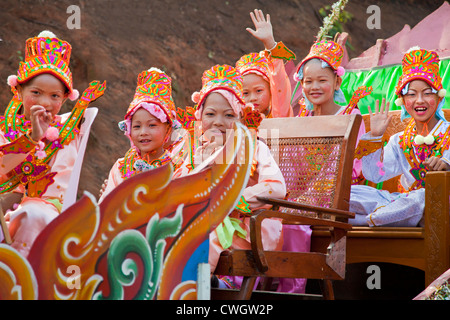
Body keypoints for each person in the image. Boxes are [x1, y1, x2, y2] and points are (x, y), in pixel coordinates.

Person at [174, 64, 286, 289]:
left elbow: (276, 188)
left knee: (205, 231)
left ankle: (194, 288)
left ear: (241, 118)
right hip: (201, 217)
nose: (218, 122)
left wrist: (230, 198)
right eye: (210, 114)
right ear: (199, 117)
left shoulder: (254, 148)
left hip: (246, 226)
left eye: (228, 115)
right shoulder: (193, 152)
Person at [0, 30, 105, 256]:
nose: (45, 103)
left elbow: (60, 188)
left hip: (48, 212)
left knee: (33, 216)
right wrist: (30, 139)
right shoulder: (4, 129)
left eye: (55, 96)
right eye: (36, 93)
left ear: (66, 98)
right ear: (18, 90)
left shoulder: (70, 131)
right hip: (5, 211)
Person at [350, 47, 449, 227]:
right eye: (411, 94)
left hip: (439, 207)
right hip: (404, 203)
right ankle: (384, 216)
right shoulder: (400, 141)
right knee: (352, 193)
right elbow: (375, 174)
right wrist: (375, 136)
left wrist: (446, 164)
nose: (419, 100)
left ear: (439, 96)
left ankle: (371, 219)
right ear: (403, 101)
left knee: (421, 198)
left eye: (427, 93)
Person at [99, 68, 178, 202]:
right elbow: (106, 208)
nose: (143, 132)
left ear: (168, 128)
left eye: (152, 125)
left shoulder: (176, 168)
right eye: (136, 126)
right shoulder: (121, 166)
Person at [236, 9, 296, 119]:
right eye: (245, 93)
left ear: (271, 91)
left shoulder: (278, 116)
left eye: (259, 91)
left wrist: (270, 43)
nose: (253, 98)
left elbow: (279, 82)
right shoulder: (233, 122)